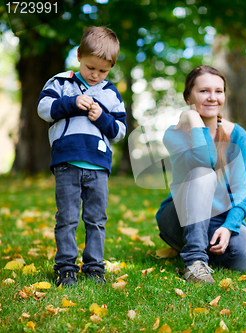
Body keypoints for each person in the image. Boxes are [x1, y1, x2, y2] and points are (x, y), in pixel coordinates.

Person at [155, 65, 246, 284]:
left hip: (218, 218)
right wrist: (195, 122)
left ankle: (204, 249)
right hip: (179, 217)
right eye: (203, 91)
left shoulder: (237, 134)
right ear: (188, 97)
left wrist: (229, 226)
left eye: (218, 91)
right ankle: (194, 261)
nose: (212, 97)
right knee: (204, 174)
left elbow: (244, 189)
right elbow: (206, 160)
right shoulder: (174, 134)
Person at [37, 26, 126, 287]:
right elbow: (44, 109)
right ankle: (65, 267)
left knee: (96, 219)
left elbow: (120, 131)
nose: (96, 75)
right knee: (66, 217)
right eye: (90, 68)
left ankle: (94, 267)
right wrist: (73, 103)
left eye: (103, 71)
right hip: (67, 162)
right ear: (79, 56)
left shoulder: (110, 93)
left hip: (98, 165)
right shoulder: (61, 82)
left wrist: (103, 119)